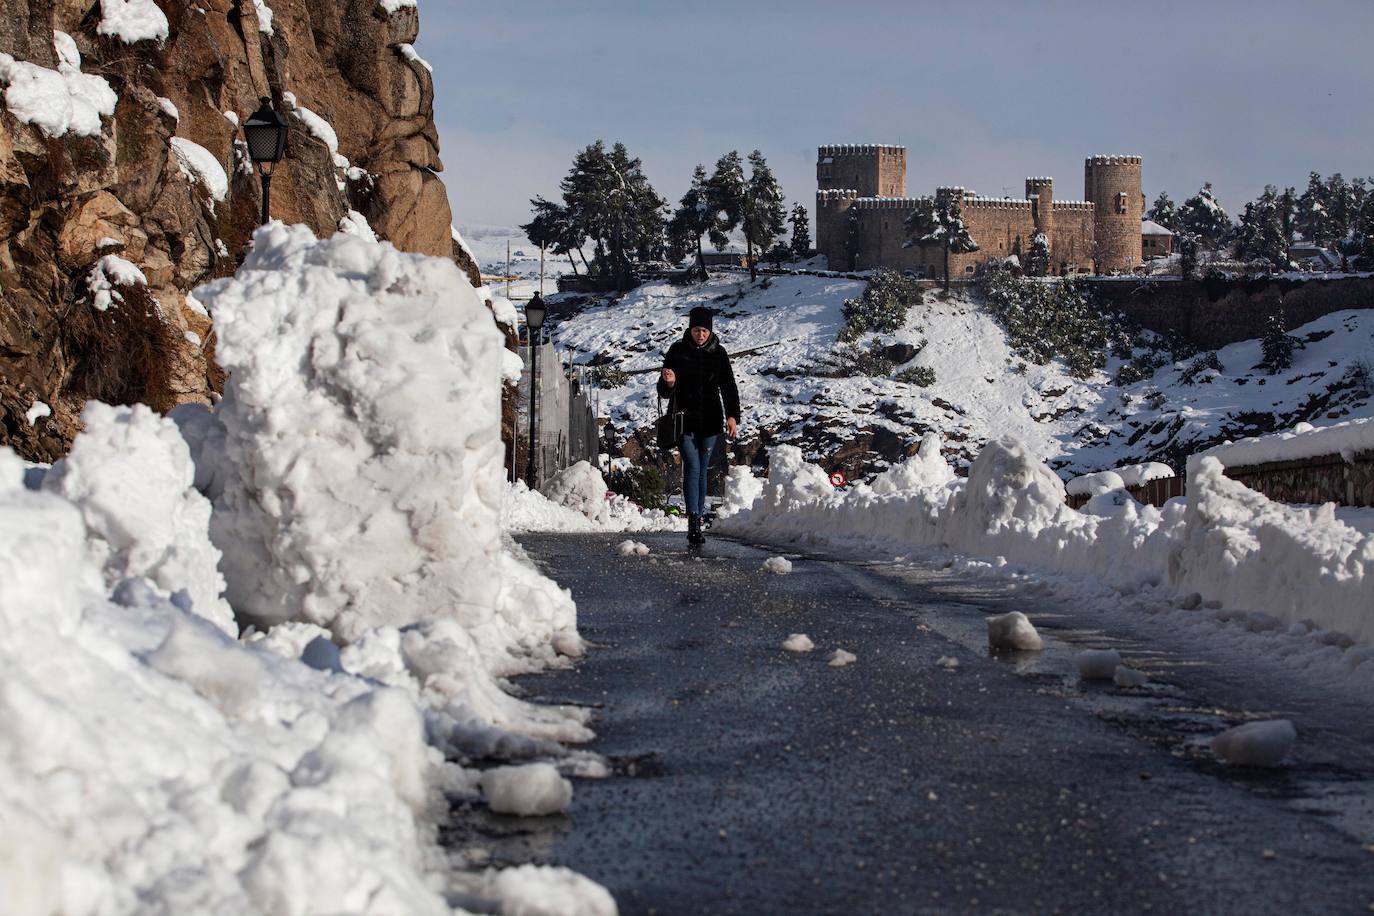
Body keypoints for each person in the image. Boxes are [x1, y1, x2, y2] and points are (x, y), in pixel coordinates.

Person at [658, 305, 741, 545]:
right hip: (684, 419)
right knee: (692, 467)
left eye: (704, 331)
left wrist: (732, 416)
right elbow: (663, 391)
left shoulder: (719, 353)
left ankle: (699, 517)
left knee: (703, 469)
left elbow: (728, 386)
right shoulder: (677, 351)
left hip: (711, 420)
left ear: (710, 331)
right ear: (690, 329)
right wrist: (669, 382)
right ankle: (693, 520)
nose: (701, 335)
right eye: (697, 330)